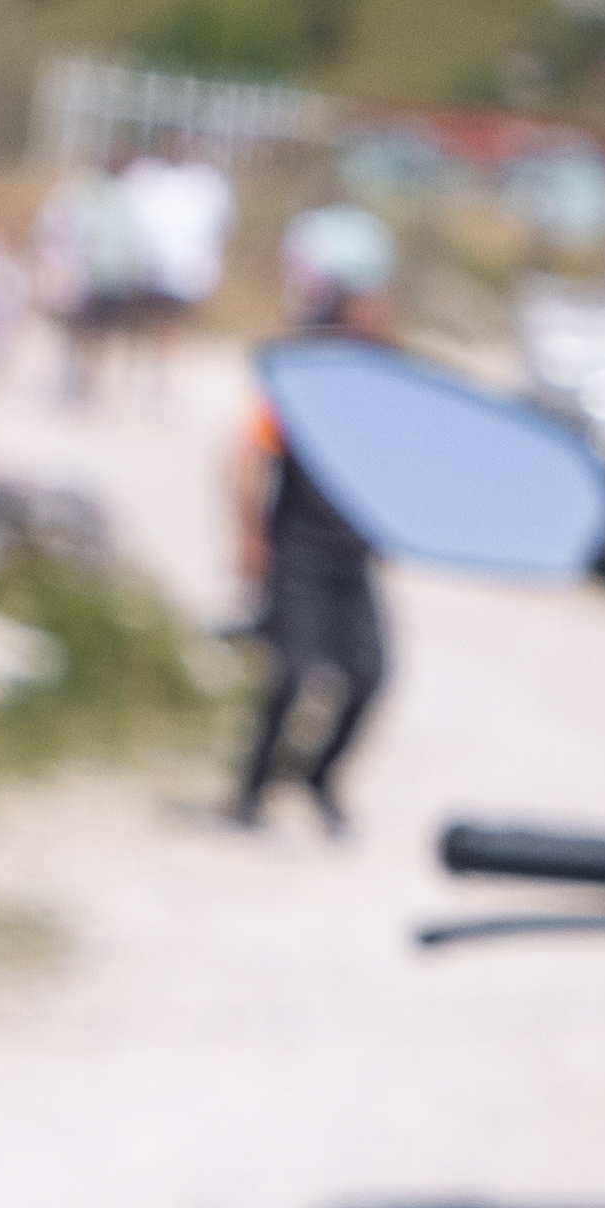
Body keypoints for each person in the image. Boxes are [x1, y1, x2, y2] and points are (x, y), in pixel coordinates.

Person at [227, 215, 400, 834]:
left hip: (353, 554)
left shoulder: (382, 374)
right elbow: (246, 458)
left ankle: (318, 779)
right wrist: (250, 539)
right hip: (297, 549)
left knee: (371, 677)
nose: (376, 309)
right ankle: (250, 791)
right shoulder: (301, 373)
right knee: (293, 676)